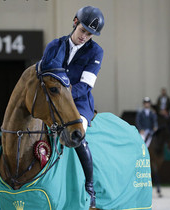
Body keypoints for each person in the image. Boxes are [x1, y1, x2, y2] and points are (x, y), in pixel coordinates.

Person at [37, 6, 104, 207]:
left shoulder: (96, 51)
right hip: (51, 100)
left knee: (78, 133)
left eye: (90, 34)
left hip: (80, 103)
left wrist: (64, 96)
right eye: (83, 30)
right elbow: (46, 76)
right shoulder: (55, 45)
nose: (85, 36)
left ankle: (89, 187)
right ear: (75, 21)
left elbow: (85, 86)